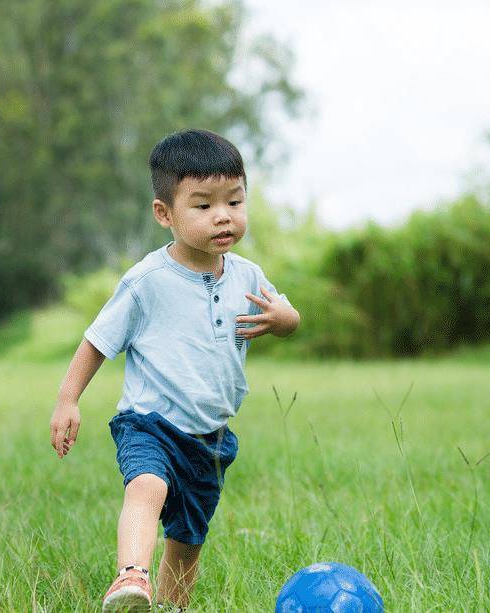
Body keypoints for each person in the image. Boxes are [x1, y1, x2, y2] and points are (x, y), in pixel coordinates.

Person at [49, 129, 301, 612]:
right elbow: (97, 341)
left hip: (210, 437)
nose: (223, 215)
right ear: (165, 213)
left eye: (234, 201)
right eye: (203, 206)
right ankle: (131, 577)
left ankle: (171, 607)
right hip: (151, 422)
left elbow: (289, 317)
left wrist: (283, 320)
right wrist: (67, 399)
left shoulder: (248, 276)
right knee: (147, 486)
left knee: (187, 540)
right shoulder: (148, 281)